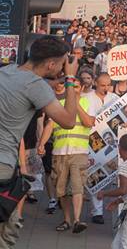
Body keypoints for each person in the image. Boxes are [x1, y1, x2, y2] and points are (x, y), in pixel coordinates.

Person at [0, 37, 81, 246]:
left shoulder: (7, 71)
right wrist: (71, 79)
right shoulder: (37, 87)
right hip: (3, 164)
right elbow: (69, 121)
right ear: (51, 64)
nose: (64, 68)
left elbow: (32, 86)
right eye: (63, 63)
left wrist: (54, 83)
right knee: (6, 233)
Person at [38, 67, 96, 235]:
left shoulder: (87, 102)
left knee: (77, 187)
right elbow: (50, 125)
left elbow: (88, 122)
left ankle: (77, 220)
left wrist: (76, 103)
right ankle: (67, 219)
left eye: (76, 87)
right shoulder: (59, 105)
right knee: (61, 190)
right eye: (71, 87)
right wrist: (41, 143)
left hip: (79, 152)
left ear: (82, 88)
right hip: (59, 152)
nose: (73, 90)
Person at [83, 72, 120, 224]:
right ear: (96, 84)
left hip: (112, 141)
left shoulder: (115, 99)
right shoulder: (86, 99)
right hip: (93, 140)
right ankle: (97, 211)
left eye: (108, 85)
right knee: (96, 174)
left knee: (116, 175)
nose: (105, 88)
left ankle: (117, 208)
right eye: (102, 85)